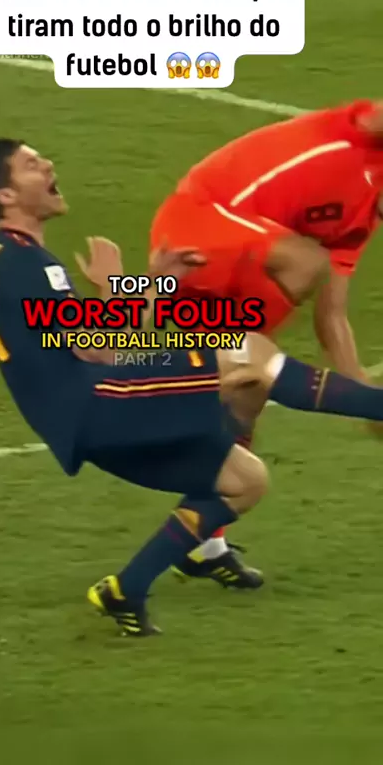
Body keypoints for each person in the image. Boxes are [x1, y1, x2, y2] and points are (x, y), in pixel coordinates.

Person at [0, 138, 383, 637]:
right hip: (96, 401)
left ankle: (126, 590)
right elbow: (98, 348)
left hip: (90, 406)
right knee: (244, 351)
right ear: (7, 195)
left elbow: (109, 344)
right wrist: (115, 287)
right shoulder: (24, 264)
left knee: (244, 479)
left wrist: (153, 281)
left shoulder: (23, 259)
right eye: (31, 165)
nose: (47, 165)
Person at [150, 99, 383, 583]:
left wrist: (364, 401)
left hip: (232, 261)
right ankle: (211, 364)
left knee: (248, 394)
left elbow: (332, 315)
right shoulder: (361, 136)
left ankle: (203, 543)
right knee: (303, 265)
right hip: (197, 218)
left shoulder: (360, 222)